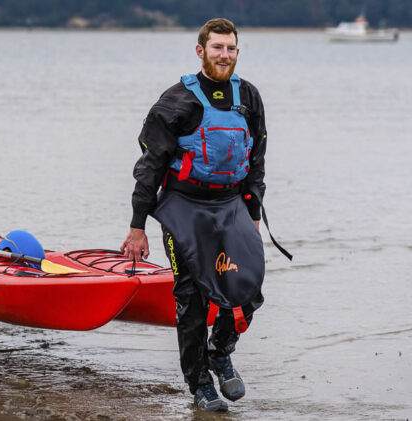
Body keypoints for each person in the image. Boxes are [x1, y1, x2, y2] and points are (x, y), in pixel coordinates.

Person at [120, 18, 289, 412]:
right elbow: (149, 166)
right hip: (184, 208)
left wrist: (252, 211)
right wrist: (137, 226)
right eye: (217, 48)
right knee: (191, 298)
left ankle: (220, 351)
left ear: (237, 51)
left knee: (248, 287)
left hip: (230, 205)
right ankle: (199, 384)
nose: (224, 55)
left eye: (230, 48)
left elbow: (256, 159)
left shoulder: (248, 96)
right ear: (201, 51)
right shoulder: (175, 102)